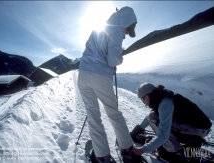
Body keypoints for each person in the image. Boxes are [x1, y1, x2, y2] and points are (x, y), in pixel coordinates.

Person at [78, 6, 141, 163]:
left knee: (93, 116)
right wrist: (120, 59)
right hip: (99, 75)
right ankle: (127, 148)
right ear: (127, 23)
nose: (127, 33)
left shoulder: (99, 28)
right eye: (129, 30)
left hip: (83, 74)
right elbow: (112, 59)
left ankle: (102, 157)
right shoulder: (118, 31)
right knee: (113, 112)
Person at [131, 82, 212, 162]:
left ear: (148, 95)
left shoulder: (165, 103)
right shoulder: (160, 97)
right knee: (153, 116)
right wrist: (135, 132)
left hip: (199, 129)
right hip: (197, 126)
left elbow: (163, 134)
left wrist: (142, 150)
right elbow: (150, 116)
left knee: (153, 118)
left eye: (142, 98)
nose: (143, 102)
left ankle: (174, 151)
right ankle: (190, 140)